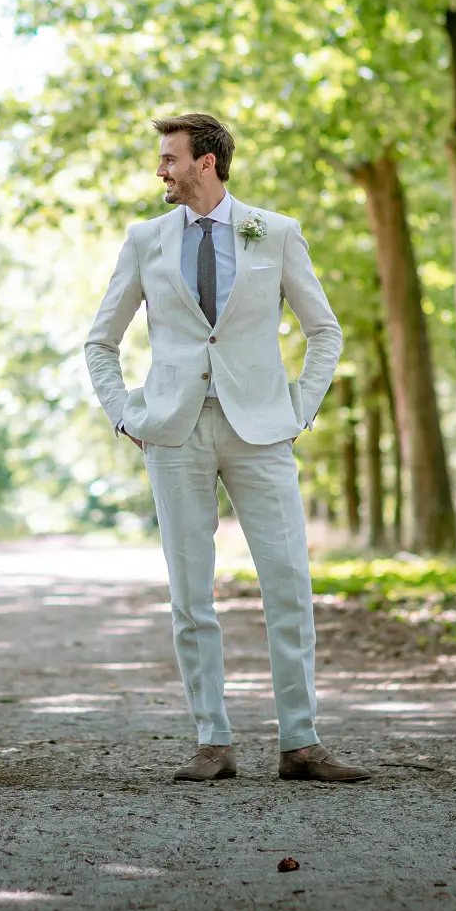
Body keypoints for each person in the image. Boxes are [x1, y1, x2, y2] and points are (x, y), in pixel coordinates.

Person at [84, 113, 368, 783]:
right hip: (174, 432)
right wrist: (127, 415)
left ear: (205, 162)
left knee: (289, 581)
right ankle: (212, 738)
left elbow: (323, 330)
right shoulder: (146, 239)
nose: (161, 169)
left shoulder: (275, 231)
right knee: (190, 592)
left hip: (262, 430)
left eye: (169, 158)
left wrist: (299, 407)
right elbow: (101, 340)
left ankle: (301, 740)